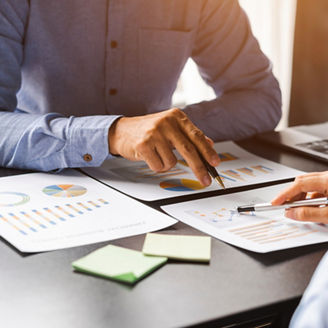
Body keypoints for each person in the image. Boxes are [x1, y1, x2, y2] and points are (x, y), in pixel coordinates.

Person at [0, 0, 281, 186]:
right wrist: (111, 134)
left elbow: (260, 97)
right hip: (39, 179)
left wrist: (174, 130)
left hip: (155, 185)